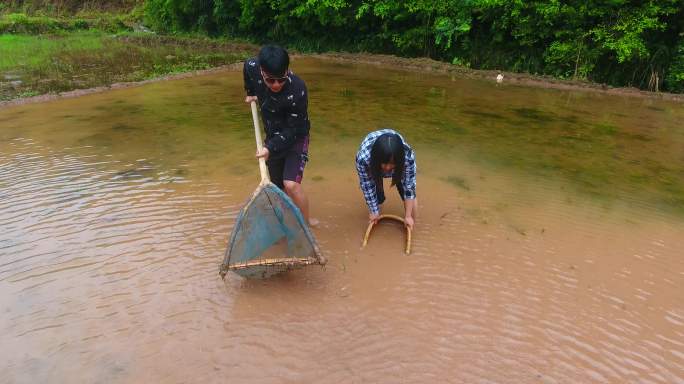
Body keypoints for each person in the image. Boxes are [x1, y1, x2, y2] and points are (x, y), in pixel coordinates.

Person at [243, 45, 315, 225]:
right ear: (261, 72)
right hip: (272, 135)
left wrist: (269, 147)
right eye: (270, 80)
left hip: (296, 135)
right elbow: (246, 65)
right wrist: (251, 92)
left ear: (287, 71)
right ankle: (287, 219)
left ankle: (306, 227)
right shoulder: (254, 66)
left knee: (291, 184)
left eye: (281, 79)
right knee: (279, 188)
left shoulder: (298, 89)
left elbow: (293, 129)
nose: (276, 84)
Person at [355, 129, 417, 230]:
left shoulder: (407, 157)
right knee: (378, 200)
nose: (388, 168)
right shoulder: (363, 160)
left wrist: (408, 216)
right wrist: (374, 211)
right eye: (385, 163)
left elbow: (409, 187)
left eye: (392, 164)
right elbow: (367, 186)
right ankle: (377, 214)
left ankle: (413, 224)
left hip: (398, 161)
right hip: (374, 164)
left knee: (410, 200)